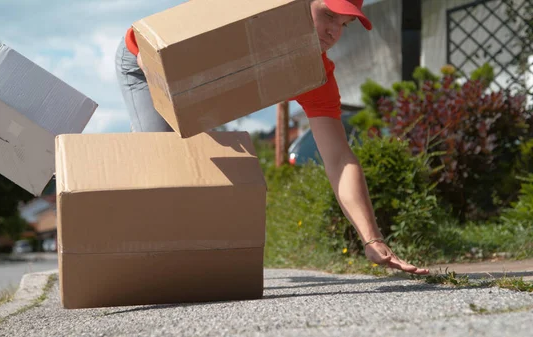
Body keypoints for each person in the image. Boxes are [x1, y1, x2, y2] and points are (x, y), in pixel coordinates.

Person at [114, 0, 430, 275]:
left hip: (205, 94)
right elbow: (159, 46)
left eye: (344, 24)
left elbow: (338, 158)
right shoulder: (246, 15)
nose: (335, 33)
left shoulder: (315, 74)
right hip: (145, 61)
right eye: (329, 15)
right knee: (160, 157)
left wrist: (372, 239)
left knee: (199, 174)